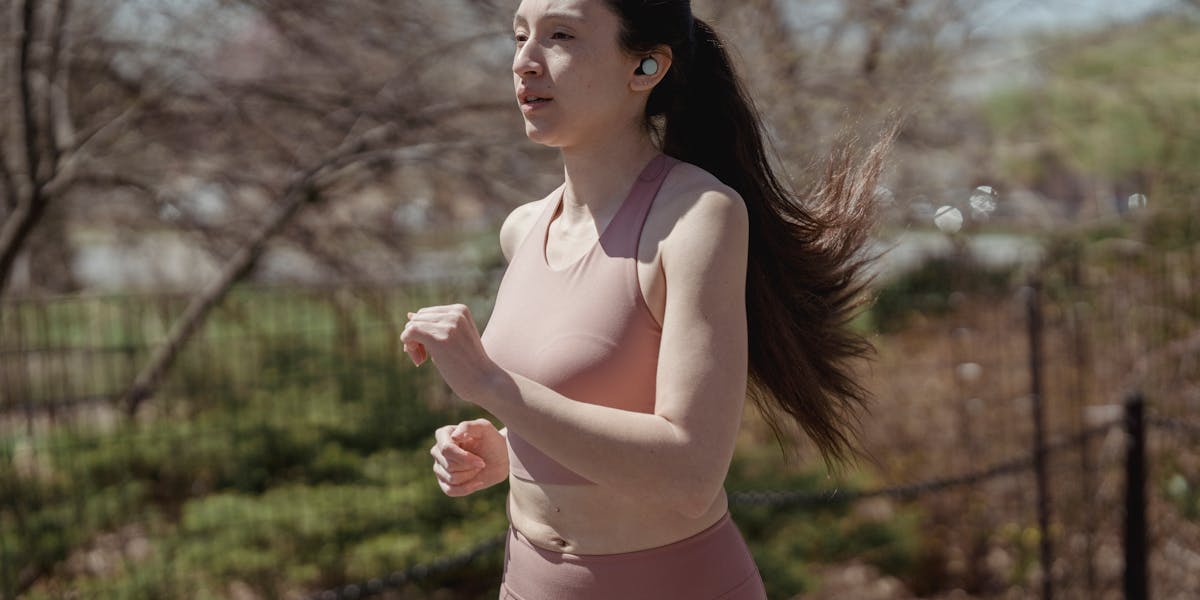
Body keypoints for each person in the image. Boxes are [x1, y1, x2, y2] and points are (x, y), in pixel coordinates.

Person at [401, 1, 897, 598]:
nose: (525, 62)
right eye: (519, 36)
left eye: (559, 36)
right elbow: (590, 406)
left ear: (646, 68)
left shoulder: (698, 217)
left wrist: (492, 385)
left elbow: (688, 475)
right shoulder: (523, 228)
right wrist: (508, 451)